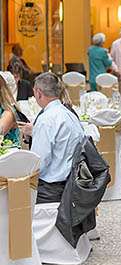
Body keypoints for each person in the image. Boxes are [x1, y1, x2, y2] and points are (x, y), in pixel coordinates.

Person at [25, 72, 86, 204]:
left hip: (50, 190)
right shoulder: (69, 114)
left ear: (38, 92)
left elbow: (38, 162)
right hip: (73, 183)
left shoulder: (46, 119)